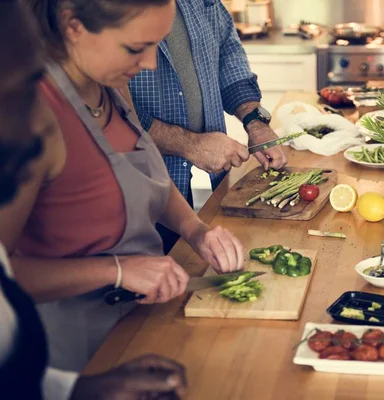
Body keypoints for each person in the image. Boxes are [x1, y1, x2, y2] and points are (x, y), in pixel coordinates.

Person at [0, 0, 245, 372]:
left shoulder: (111, 86)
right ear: (73, 26)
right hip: (70, 357)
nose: (149, 64)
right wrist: (116, 270)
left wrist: (195, 230)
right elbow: (4, 274)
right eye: (135, 48)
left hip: (138, 326)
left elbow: (147, 178)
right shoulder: (30, 117)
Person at [129, 0, 288, 251]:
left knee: (180, 265)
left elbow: (227, 51)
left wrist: (254, 121)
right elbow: (117, 113)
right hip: (137, 191)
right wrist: (189, 143)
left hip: (175, 202)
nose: (149, 63)